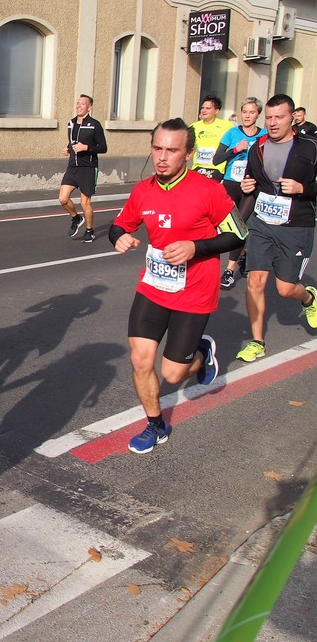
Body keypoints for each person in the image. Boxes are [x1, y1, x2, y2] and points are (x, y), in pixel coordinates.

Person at [110, 118, 246, 454]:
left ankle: (201, 353)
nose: (162, 157)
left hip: (194, 290)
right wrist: (120, 237)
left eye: (171, 150)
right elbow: (119, 225)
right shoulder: (143, 190)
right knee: (141, 361)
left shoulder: (208, 190)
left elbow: (238, 233)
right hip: (153, 287)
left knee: (173, 374)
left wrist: (195, 247)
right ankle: (155, 425)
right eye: (157, 148)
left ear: (188, 154)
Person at [236, 94, 317, 363]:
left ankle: (308, 298)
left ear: (292, 117)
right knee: (255, 281)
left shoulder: (309, 147)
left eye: (278, 117)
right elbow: (252, 180)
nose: (272, 123)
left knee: (285, 288)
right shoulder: (256, 147)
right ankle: (257, 341)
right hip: (262, 223)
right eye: (268, 117)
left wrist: (303, 189)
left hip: (296, 226)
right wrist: (247, 186)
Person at [214, 97, 265, 289]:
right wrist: (236, 149)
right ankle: (243, 253)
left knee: (239, 225)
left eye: (252, 112)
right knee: (230, 226)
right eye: (244, 112)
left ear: (258, 114)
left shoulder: (264, 135)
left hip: (251, 186)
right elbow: (216, 159)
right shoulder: (232, 133)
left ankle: (229, 270)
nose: (247, 116)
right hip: (231, 184)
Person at [58, 94, 108, 243]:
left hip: (88, 168)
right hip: (73, 166)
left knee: (84, 202)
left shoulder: (95, 125)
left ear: (89, 107)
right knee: (63, 198)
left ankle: (89, 230)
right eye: (78, 103)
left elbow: (103, 148)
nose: (79, 106)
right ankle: (76, 218)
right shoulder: (71, 123)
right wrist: (68, 148)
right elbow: (73, 141)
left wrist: (86, 147)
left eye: (83, 104)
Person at [190, 95, 234, 182]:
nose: (204, 110)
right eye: (202, 108)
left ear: (216, 111)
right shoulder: (193, 126)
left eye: (208, 108)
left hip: (216, 169)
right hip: (198, 168)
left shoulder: (227, 126)